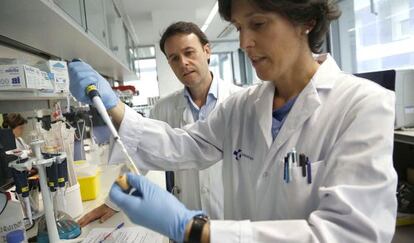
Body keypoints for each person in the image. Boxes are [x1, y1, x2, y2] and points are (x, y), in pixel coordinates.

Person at [68, 0, 398, 242]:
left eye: (258, 24)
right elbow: (187, 144)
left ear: (306, 20)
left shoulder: (363, 105)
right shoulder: (242, 106)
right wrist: (112, 106)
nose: (244, 43)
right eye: (240, 28)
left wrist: (195, 229)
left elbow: (353, 235)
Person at [76, 21, 242, 227]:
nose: (183, 63)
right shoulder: (164, 108)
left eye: (189, 52)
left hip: (232, 218)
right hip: (187, 216)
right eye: (174, 58)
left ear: (207, 51)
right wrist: (115, 201)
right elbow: (138, 158)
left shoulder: (239, 101)